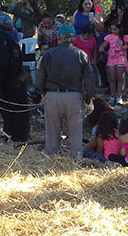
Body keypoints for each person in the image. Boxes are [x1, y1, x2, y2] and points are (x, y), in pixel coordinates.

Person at [35, 24, 94, 159]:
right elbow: (90, 80)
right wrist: (88, 99)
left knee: (52, 133)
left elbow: (40, 79)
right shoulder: (81, 54)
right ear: (73, 38)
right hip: (74, 96)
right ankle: (76, 162)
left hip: (52, 96)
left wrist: (42, 95)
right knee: (76, 133)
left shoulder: (48, 54)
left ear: (58, 37)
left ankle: (51, 160)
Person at [99, 22, 128, 105]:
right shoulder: (109, 37)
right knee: (112, 78)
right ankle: (112, 95)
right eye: (112, 29)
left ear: (120, 29)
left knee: (120, 77)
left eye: (115, 29)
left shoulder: (125, 37)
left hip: (121, 59)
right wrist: (102, 48)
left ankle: (119, 96)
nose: (113, 31)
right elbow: (103, 45)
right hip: (111, 59)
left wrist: (127, 46)